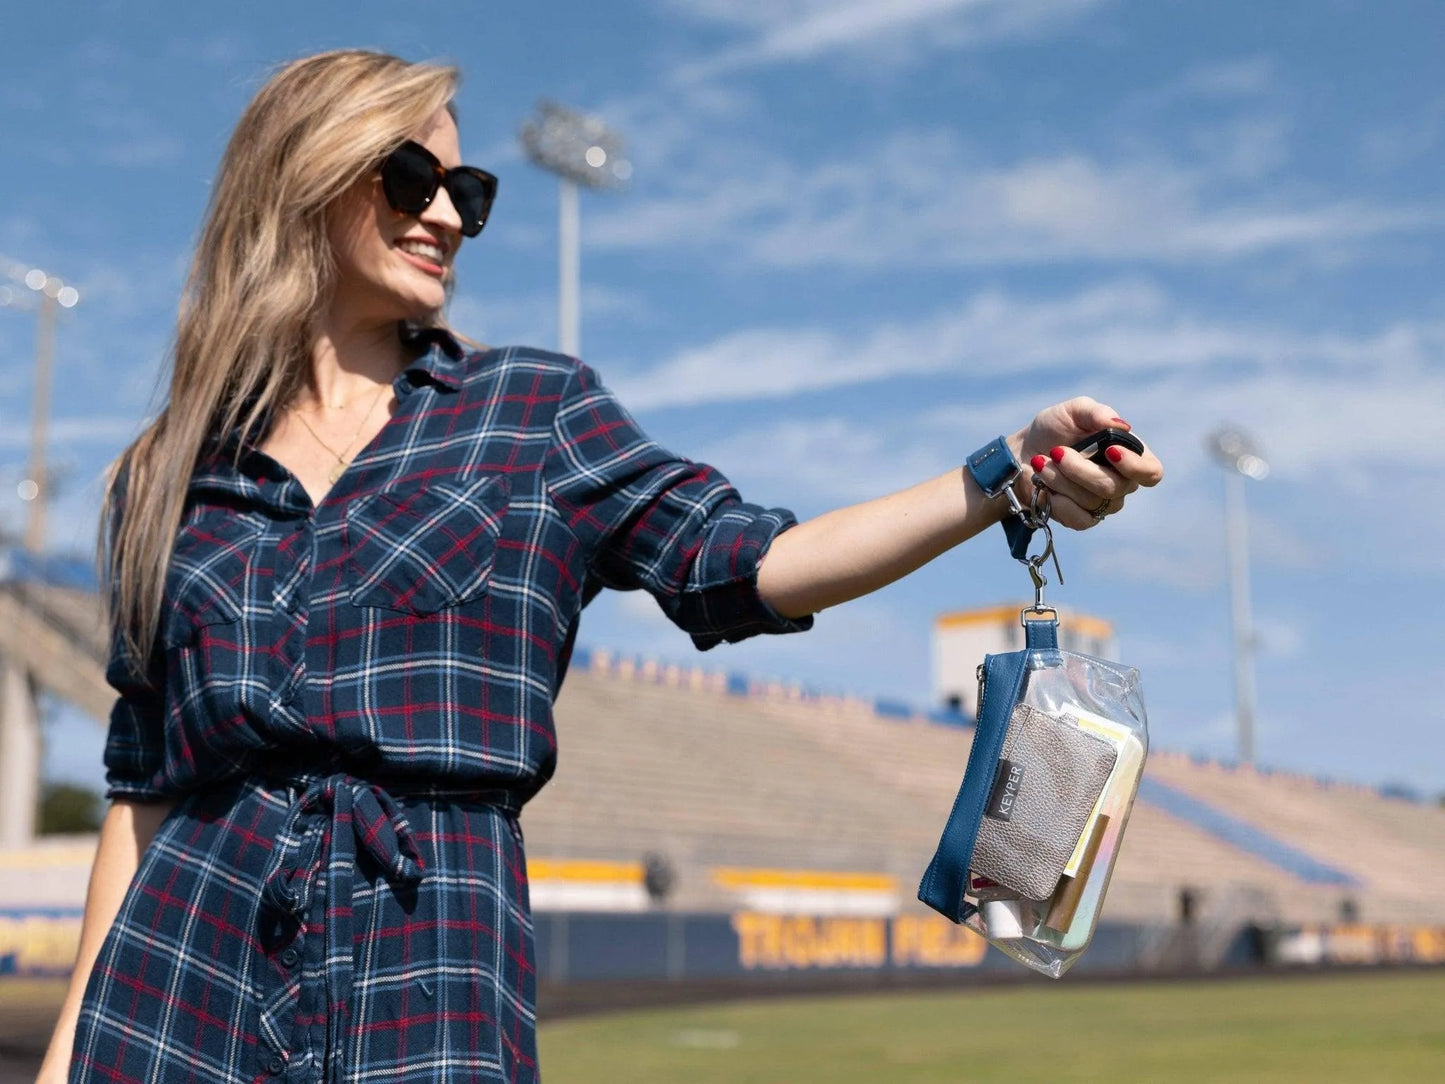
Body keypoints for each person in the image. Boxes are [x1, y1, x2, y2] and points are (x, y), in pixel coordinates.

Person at [38, 49, 1163, 1084]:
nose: (448, 214)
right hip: (177, 977)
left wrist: (1000, 473)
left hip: (432, 967)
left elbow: (756, 560)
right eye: (412, 175)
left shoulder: (532, 409)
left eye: (468, 193)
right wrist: (64, 1060)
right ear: (306, 177)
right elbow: (144, 799)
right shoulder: (167, 473)